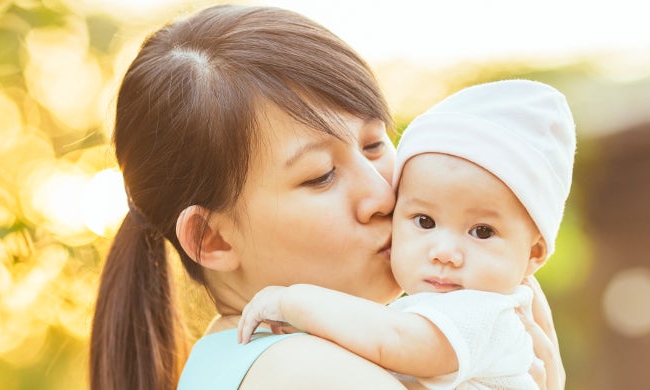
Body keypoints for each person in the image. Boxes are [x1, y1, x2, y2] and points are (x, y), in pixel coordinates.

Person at [89, 4, 565, 390]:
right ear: (211, 237)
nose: (382, 194)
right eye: (320, 176)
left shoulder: (232, 362)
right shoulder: (310, 374)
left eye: (375, 144)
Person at [237, 80, 575, 389]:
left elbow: (397, 342)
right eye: (425, 222)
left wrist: (293, 301)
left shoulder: (487, 312)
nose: (444, 252)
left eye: (482, 231)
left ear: (534, 254)